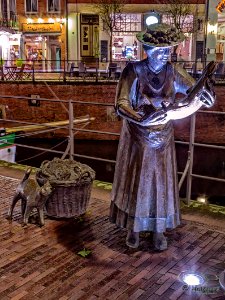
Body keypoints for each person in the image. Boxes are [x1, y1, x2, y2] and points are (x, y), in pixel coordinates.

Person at [109, 23, 216, 251]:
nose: (166, 53)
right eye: (160, 49)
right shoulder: (134, 70)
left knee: (160, 182)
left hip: (162, 136)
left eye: (168, 49)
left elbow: (192, 91)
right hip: (139, 134)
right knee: (138, 180)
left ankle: (158, 228)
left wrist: (204, 95)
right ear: (147, 49)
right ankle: (134, 228)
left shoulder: (172, 70)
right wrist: (139, 118)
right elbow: (121, 103)